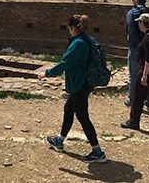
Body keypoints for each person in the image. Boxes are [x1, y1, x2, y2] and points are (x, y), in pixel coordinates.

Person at [38, 14, 107, 164]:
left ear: (74, 28)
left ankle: (97, 151)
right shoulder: (88, 39)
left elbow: (65, 63)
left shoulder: (78, 44)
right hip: (84, 82)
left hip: (79, 83)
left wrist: (47, 73)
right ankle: (59, 140)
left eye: (69, 28)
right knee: (68, 109)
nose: (69, 31)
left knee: (82, 116)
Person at [125, 0, 149, 111]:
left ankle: (133, 100)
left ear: (136, 0)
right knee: (148, 74)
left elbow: (131, 30)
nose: (133, 1)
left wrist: (140, 45)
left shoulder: (132, 13)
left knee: (133, 75)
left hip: (136, 47)